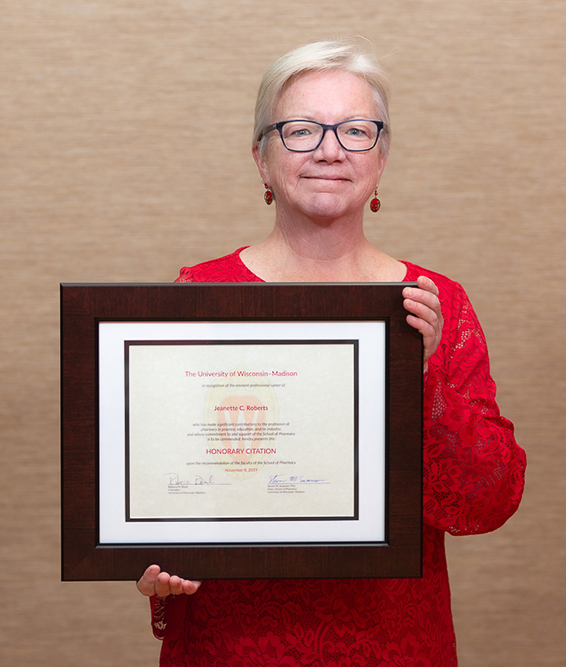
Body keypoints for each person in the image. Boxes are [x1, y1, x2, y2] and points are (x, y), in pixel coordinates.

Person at [137, 38, 526, 666]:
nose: (329, 149)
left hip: (393, 637)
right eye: (300, 130)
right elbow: (165, 484)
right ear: (262, 160)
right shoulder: (200, 296)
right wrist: (153, 557)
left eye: (355, 131)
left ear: (381, 157)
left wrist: (424, 375)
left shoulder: (435, 304)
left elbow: (485, 503)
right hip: (235, 640)